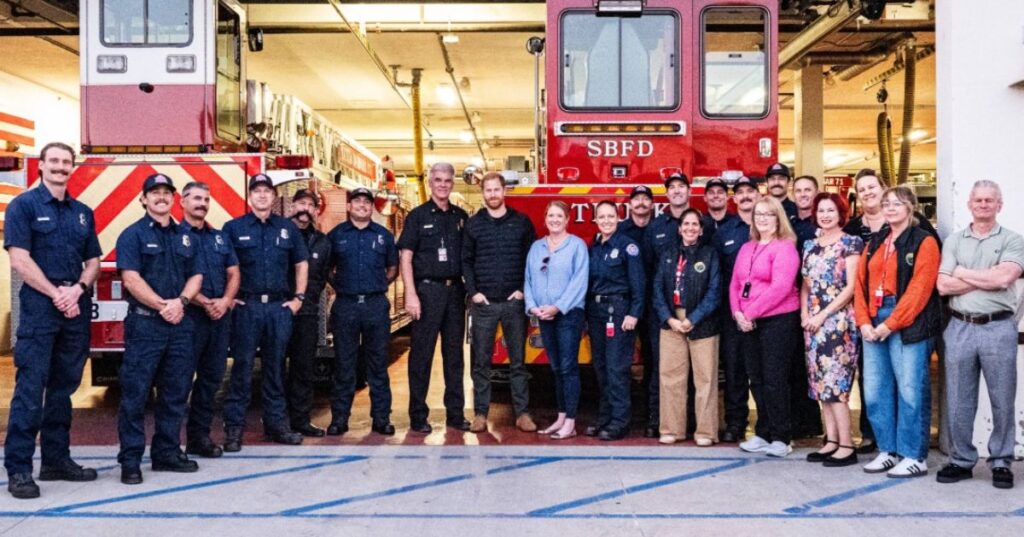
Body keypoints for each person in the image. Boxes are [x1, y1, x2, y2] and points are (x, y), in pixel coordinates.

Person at [3, 142, 101, 499]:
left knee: (63, 389)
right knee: (31, 390)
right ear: (42, 165)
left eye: (66, 162)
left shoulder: (82, 213)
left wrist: (77, 290)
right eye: (54, 161)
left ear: (72, 168)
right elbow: (19, 259)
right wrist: (56, 294)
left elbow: (93, 261)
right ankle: (19, 469)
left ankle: (56, 461)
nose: (60, 167)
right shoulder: (23, 206)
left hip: (73, 307)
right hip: (41, 309)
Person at [115, 173, 203, 485]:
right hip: (145, 325)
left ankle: (166, 453)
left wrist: (181, 302)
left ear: (174, 198)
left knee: (176, 393)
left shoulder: (187, 237)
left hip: (179, 326)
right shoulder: (132, 235)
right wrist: (162, 306)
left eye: (167, 192)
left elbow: (196, 276)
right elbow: (131, 279)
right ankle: (130, 460)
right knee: (135, 394)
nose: (161, 197)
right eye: (155, 193)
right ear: (143, 199)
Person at [844, 169, 939, 455]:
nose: (890, 208)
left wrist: (891, 324)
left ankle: (912, 455)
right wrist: (863, 321)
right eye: (886, 204)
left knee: (910, 391)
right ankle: (887, 450)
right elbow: (860, 285)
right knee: (875, 391)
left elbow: (920, 289)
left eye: (897, 203)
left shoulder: (924, 241)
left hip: (907, 322)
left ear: (910, 208)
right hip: (873, 319)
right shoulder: (875, 242)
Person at [936, 180, 1023, 490]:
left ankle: (1001, 461)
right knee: (959, 398)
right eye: (978, 200)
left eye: (989, 200)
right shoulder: (954, 240)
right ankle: (961, 460)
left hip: (998, 326)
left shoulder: (1013, 239)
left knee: (1002, 398)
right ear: (969, 204)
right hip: (959, 326)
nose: (983, 204)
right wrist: (987, 278)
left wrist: (962, 273)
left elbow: (1005, 278)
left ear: (999, 205)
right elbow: (943, 285)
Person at [222, 173, 309, 451]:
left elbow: (301, 263)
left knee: (275, 369)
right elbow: (223, 265)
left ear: (274, 197)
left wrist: (298, 298)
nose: (262, 195)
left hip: (277, 308)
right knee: (242, 369)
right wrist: (228, 298)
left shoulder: (287, 228)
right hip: (246, 308)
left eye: (267, 191)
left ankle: (276, 426)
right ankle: (234, 429)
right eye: (257, 191)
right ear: (250, 196)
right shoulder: (232, 228)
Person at [398, 162, 471, 433]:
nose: (442, 185)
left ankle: (456, 415)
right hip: (426, 292)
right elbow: (405, 257)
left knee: (454, 356)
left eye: (447, 180)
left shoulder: (461, 216)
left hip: (455, 293)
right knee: (421, 356)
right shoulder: (417, 216)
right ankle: (418, 415)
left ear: (453, 183)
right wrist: (411, 294)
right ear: (430, 183)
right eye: (438, 180)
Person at [463, 172, 538, 433]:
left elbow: (532, 260)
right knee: (481, 363)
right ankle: (480, 414)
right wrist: (474, 293)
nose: (493, 194)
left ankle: (522, 414)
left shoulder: (521, 222)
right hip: (483, 305)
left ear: (504, 191)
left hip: (513, 304)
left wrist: (523, 291)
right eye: (488, 190)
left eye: (497, 189)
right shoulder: (473, 225)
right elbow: (466, 261)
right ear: (482, 193)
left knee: (518, 363)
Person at [730, 197, 802, 458]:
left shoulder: (785, 248)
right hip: (748, 323)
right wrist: (738, 313)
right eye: (758, 214)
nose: (762, 219)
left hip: (777, 321)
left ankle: (781, 437)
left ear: (778, 218)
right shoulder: (747, 247)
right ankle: (763, 432)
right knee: (757, 379)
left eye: (768, 214)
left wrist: (749, 312)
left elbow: (780, 288)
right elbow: (735, 284)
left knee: (774, 379)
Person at [326, 187, 399, 436]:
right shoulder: (336, 235)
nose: (361, 205)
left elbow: (393, 268)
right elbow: (327, 269)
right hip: (345, 306)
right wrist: (342, 287)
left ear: (371, 207)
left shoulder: (383, 236)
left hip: (375, 305)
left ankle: (381, 419)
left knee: (377, 365)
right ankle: (339, 419)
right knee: (344, 365)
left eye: (366, 202)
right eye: (356, 201)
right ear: (349, 207)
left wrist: (376, 286)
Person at [800, 193, 863, 467]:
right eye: (821, 210)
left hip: (838, 323)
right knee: (820, 384)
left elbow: (851, 287)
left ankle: (847, 445)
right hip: (812, 324)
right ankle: (831, 440)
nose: (825, 215)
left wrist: (823, 315)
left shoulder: (850, 243)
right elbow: (805, 284)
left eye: (831, 210)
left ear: (841, 214)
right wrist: (805, 314)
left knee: (836, 385)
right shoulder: (810, 245)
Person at [181, 182, 239, 459]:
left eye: (205, 199)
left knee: (211, 379)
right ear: (182, 201)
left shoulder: (219, 237)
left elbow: (234, 272)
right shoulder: (175, 236)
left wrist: (225, 301)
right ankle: (170, 444)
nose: (202, 203)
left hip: (219, 318)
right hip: (189, 318)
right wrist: (205, 302)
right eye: (196, 198)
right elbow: (177, 279)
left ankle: (199, 438)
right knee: (179, 381)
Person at [652, 209, 721, 446]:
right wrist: (668, 318)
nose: (690, 228)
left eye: (695, 225)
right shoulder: (668, 254)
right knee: (670, 378)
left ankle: (706, 433)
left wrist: (694, 318)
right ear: (679, 228)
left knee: (705, 379)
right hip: (672, 322)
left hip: (702, 322)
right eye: (686, 224)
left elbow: (714, 292)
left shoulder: (710, 255)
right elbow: (657, 289)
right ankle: (671, 429)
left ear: (701, 230)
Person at [524, 201, 588, 440]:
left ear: (568, 219)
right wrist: (532, 306)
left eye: (559, 216)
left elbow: (579, 282)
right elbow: (528, 279)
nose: (555, 220)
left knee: (569, 367)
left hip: (569, 315)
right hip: (544, 315)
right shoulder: (536, 247)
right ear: (545, 219)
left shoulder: (577, 246)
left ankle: (571, 422)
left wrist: (557, 307)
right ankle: (561, 417)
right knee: (556, 367)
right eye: (551, 215)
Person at [586, 201, 645, 441]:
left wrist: (634, 313)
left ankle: (620, 421)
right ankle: (605, 417)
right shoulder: (595, 246)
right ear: (595, 220)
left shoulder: (628, 246)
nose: (606, 221)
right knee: (600, 367)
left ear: (619, 218)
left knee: (616, 368)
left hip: (619, 311)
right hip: (596, 311)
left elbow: (639, 283)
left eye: (610, 216)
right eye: (602, 217)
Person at [640, 172, 692, 437]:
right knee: (659, 367)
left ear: (689, 191)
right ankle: (657, 420)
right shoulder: (655, 227)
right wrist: (660, 310)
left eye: (681, 186)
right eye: (672, 187)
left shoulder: (698, 223)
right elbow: (649, 272)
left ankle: (689, 421)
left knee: (692, 369)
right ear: (667, 194)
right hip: (661, 312)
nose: (677, 191)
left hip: (692, 311)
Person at [713, 176, 760, 443]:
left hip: (765, 313)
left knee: (763, 372)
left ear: (758, 195)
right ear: (735, 198)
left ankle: (767, 424)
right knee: (734, 371)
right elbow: (719, 275)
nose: (745, 196)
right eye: (740, 192)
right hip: (732, 314)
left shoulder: (769, 227)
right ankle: (735, 423)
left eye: (749, 191)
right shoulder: (725, 232)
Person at [285, 189, 332, 438]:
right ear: (292, 206)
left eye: (311, 205)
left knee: (304, 368)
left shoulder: (322, 242)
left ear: (316, 211)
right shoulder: (279, 233)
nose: (305, 208)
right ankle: (277, 421)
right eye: (301, 203)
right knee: (274, 367)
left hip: (308, 312)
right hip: (279, 311)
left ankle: (301, 420)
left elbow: (323, 275)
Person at [790, 175, 823, 439]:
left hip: (822, 306)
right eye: (798, 190)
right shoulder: (788, 223)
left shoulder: (823, 223)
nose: (802, 194)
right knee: (795, 365)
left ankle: (816, 424)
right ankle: (800, 421)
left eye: (807, 190)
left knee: (820, 366)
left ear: (816, 192)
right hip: (792, 301)